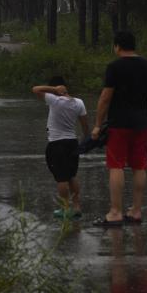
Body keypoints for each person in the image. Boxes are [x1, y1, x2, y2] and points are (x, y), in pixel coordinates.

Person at [92, 30, 147, 227]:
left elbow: (105, 98)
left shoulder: (114, 67)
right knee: (139, 166)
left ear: (117, 46)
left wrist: (97, 125)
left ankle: (115, 212)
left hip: (119, 124)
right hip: (141, 123)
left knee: (116, 166)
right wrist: (145, 94)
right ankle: (136, 211)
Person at [32, 75, 89, 219]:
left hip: (57, 144)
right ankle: (76, 207)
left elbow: (35, 89)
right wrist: (85, 139)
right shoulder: (79, 102)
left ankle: (65, 208)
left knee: (61, 178)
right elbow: (85, 126)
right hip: (72, 142)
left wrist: (53, 90)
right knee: (71, 176)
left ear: (55, 89)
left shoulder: (54, 100)